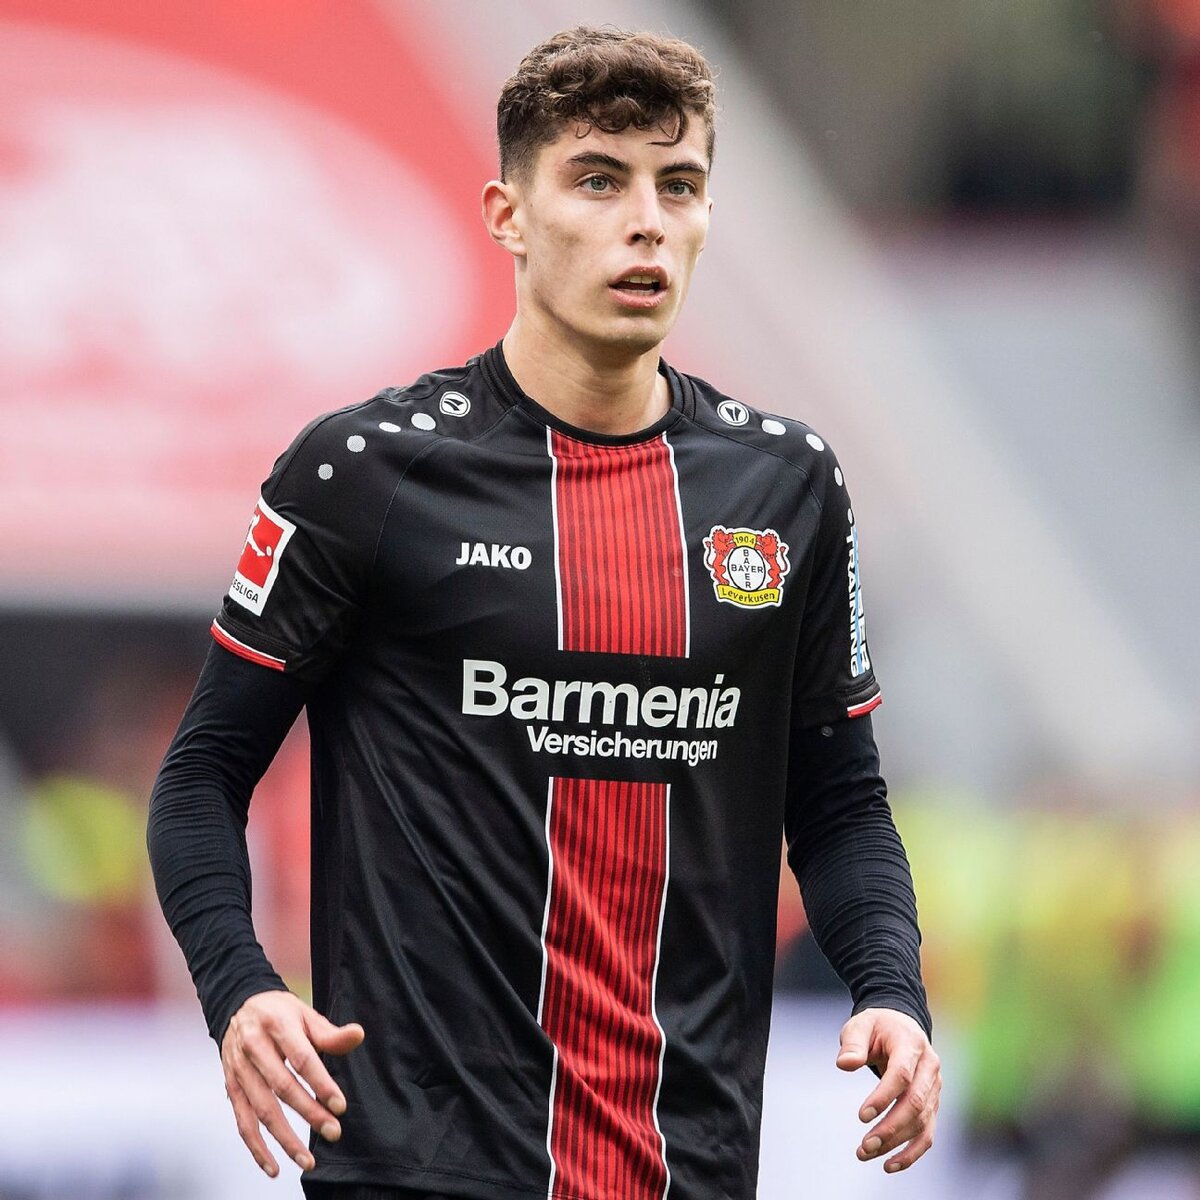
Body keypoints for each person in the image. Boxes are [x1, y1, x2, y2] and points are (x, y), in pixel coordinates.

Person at [147, 25, 939, 1200]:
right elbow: (201, 776)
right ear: (508, 214)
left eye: (679, 186)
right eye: (599, 180)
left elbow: (840, 805)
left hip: (684, 1166)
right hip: (418, 1170)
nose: (647, 222)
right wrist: (239, 988)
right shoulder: (366, 473)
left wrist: (892, 991)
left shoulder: (786, 487)